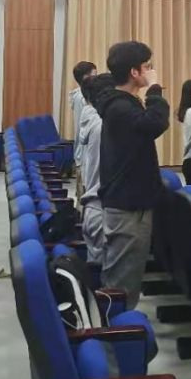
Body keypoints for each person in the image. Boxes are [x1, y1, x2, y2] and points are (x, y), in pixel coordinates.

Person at [97, 41, 170, 309]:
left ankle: (121, 321)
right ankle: (118, 328)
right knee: (122, 281)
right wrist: (155, 89)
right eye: (147, 66)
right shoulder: (119, 106)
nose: (151, 71)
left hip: (129, 201)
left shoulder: (121, 102)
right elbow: (155, 123)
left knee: (127, 275)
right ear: (134, 72)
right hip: (127, 207)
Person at [78, 74, 116, 266]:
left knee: (101, 274)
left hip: (96, 207)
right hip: (103, 212)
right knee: (109, 278)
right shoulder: (104, 127)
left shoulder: (92, 120)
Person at [69, 60, 96, 198]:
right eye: (94, 75)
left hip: (84, 149)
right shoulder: (82, 98)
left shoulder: (82, 95)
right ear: (86, 78)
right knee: (83, 192)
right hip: (83, 149)